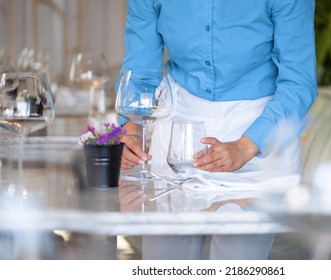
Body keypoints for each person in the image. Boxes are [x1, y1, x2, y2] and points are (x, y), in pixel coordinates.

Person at [117, 0, 318, 260]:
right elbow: (139, 73)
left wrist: (245, 146)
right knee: (164, 262)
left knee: (236, 262)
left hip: (257, 126)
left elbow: (299, 82)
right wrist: (132, 129)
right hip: (178, 123)